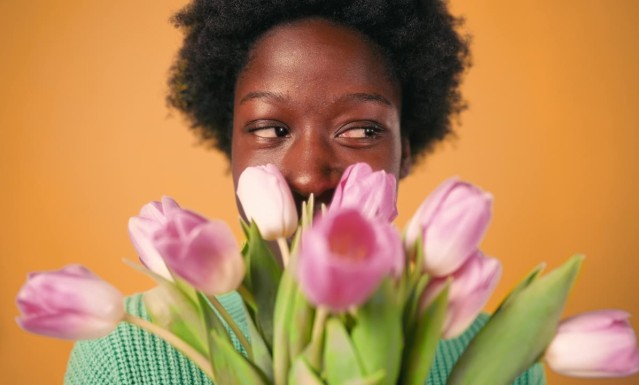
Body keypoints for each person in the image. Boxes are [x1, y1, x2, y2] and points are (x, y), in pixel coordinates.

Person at [65, 0, 545, 384]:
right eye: (271, 130)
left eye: (359, 131)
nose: (310, 176)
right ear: (230, 147)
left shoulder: (498, 356)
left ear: (405, 154)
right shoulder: (125, 354)